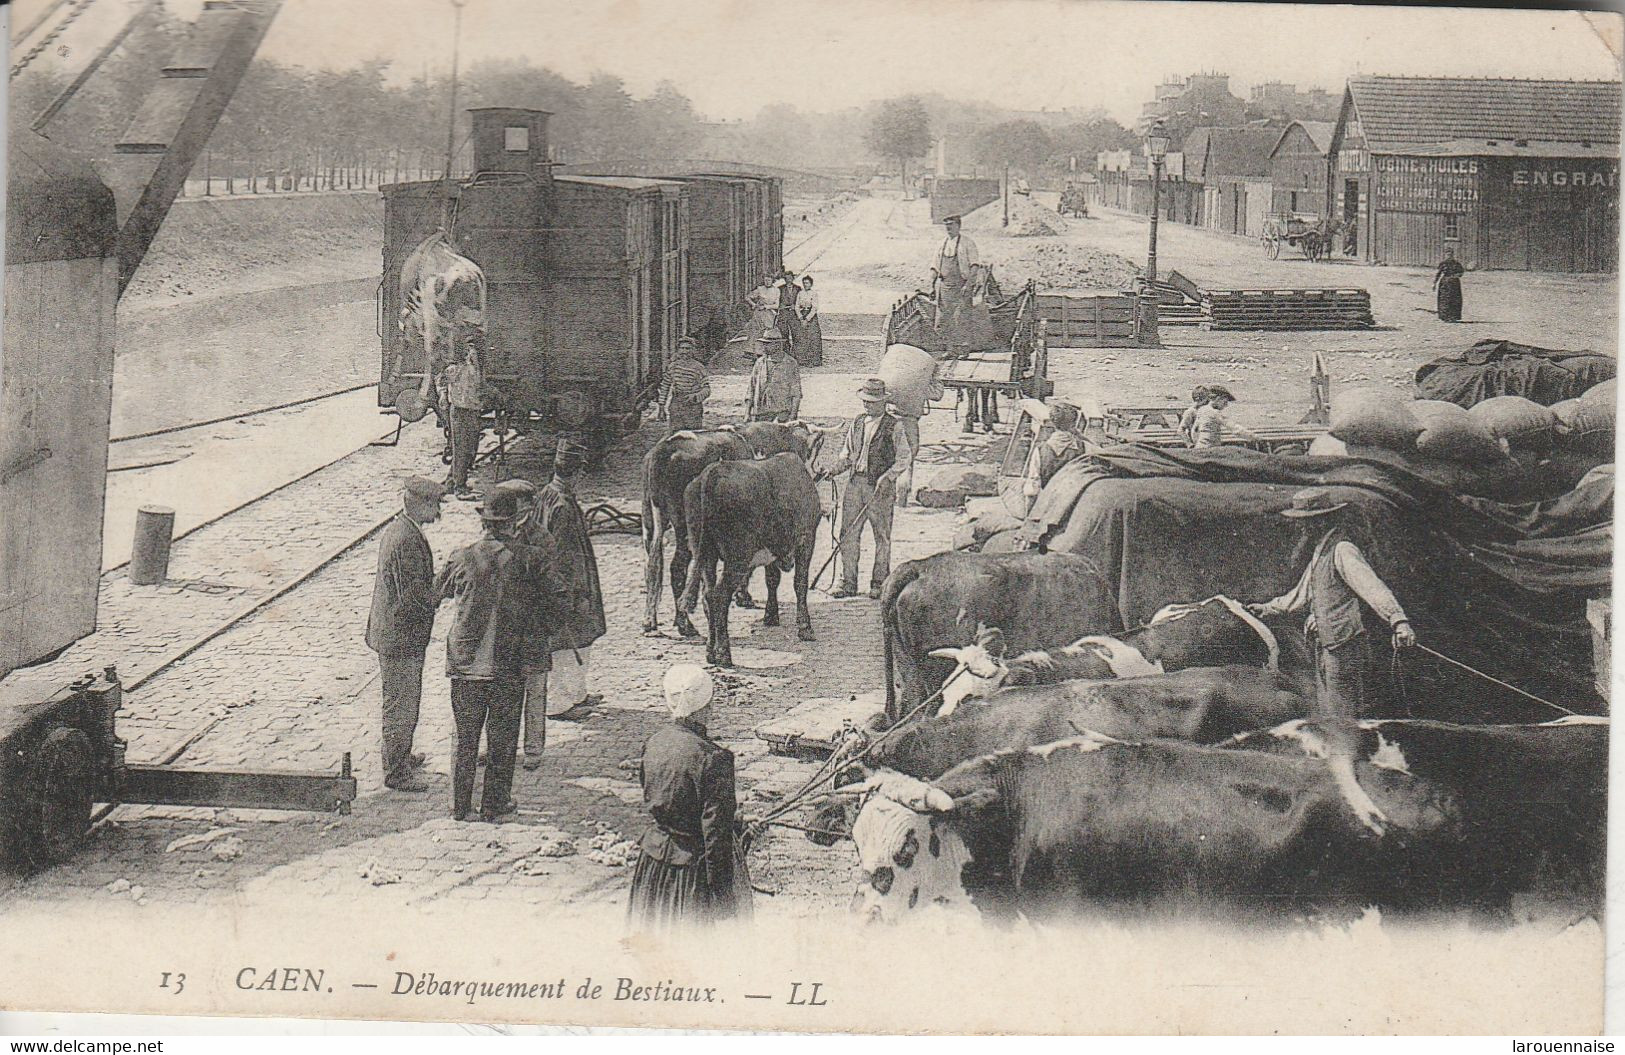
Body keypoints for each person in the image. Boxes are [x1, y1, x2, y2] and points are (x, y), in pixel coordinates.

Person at [1248, 487, 1417, 833]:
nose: (1301, 529)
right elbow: (1301, 595)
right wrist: (1267, 608)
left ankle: (1362, 796)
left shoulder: (1342, 549)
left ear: (1320, 521)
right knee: (1334, 716)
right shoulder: (1320, 553)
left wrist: (1398, 620)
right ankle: (1348, 789)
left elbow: (1372, 588)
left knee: (1345, 720)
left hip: (1345, 646)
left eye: (1306, 523)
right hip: (1327, 646)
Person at [433, 487, 534, 822]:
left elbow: (437, 593)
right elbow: (548, 604)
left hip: (465, 663)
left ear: (484, 523)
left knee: (464, 738)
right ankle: (494, 805)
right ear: (513, 523)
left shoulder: (461, 555)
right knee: (503, 739)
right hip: (507, 663)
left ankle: (459, 807)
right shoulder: (525, 559)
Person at [627, 664, 751, 932]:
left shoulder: (655, 742)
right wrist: (724, 899)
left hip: (652, 867)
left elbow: (655, 796)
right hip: (692, 877)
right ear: (708, 706)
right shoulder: (715, 758)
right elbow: (714, 837)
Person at [364, 476, 443, 793]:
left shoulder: (404, 530)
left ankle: (402, 756)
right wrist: (440, 591)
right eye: (434, 505)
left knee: (405, 700)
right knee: (401, 704)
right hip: (401, 638)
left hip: (398, 634)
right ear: (417, 503)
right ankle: (396, 772)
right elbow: (413, 597)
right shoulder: (406, 540)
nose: (438, 513)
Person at [487, 478, 567, 772]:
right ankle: (494, 746)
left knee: (534, 691)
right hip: (502, 630)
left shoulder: (541, 539)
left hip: (532, 630)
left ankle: (533, 749)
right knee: (498, 691)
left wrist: (546, 626)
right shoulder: (496, 531)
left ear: (527, 506)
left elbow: (555, 590)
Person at [535, 438, 607, 719]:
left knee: (580, 641)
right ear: (576, 473)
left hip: (563, 583)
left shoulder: (547, 493)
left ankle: (577, 693)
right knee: (568, 642)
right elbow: (564, 556)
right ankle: (559, 704)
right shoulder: (563, 505)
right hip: (570, 587)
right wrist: (572, 595)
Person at [825, 378, 912, 599]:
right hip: (856, 484)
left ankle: (879, 583)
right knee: (848, 534)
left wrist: (888, 477)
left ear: (883, 402)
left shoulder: (895, 425)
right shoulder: (857, 422)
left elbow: (904, 458)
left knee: (881, 536)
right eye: (865, 401)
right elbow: (847, 453)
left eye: (872, 402)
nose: (867, 405)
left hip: (880, 488)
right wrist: (835, 469)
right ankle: (848, 582)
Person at [439, 332, 485, 500]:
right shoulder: (455, 369)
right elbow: (441, 380)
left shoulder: (474, 368)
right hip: (459, 411)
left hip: (472, 409)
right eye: (469, 349)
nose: (472, 352)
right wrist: (443, 396)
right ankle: (459, 487)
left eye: (474, 349)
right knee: (461, 448)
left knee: (469, 447)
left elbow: (479, 383)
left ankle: (452, 481)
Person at [746, 328, 801, 422]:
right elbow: (751, 389)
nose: (764, 347)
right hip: (760, 415)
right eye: (763, 343)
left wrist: (792, 416)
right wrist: (747, 413)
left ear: (778, 345)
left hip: (781, 415)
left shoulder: (790, 363)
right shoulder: (759, 363)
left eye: (768, 344)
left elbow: (796, 393)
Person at [660, 336, 712, 432]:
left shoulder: (699, 368)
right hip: (676, 404)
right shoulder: (673, 366)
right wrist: (661, 407)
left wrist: (695, 396)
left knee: (693, 435)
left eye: (687, 349)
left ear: (693, 350)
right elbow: (665, 386)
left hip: (693, 407)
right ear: (678, 350)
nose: (684, 351)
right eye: (682, 348)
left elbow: (707, 389)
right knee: (676, 436)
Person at [1033, 400, 1088, 489]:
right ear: (1074, 424)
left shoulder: (1040, 449)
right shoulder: (1082, 447)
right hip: (1072, 492)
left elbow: (1033, 485)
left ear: (1053, 423)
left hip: (1047, 494)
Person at [1190, 385, 1263, 449]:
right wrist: (1255, 438)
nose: (1226, 405)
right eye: (1225, 402)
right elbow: (1236, 429)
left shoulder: (1201, 410)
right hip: (1211, 449)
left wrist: (1198, 444)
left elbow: (1194, 431)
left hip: (1199, 447)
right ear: (1218, 399)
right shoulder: (1215, 413)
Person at [794, 275, 824, 367]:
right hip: (802, 314)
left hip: (811, 317)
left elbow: (815, 307)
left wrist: (807, 319)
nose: (805, 285)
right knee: (801, 337)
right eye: (804, 283)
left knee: (813, 338)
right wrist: (800, 317)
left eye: (807, 283)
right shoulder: (800, 293)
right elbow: (796, 306)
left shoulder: (813, 293)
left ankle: (814, 360)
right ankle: (802, 359)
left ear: (811, 284)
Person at [1434, 244, 1464, 323]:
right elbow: (1438, 273)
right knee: (1444, 299)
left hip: (1454, 283)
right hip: (1445, 283)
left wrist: (1455, 276)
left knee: (1454, 299)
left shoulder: (1457, 264)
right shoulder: (1443, 263)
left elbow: (1461, 272)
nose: (1449, 256)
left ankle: (1453, 316)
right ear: (1445, 255)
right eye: (1447, 254)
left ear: (1452, 255)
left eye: (1450, 254)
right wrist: (1434, 283)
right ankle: (1445, 316)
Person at [746, 275, 779, 340]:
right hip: (759, 313)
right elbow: (747, 297)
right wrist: (754, 304)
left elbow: (777, 305)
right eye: (765, 280)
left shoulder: (776, 290)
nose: (767, 282)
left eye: (769, 280)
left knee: (768, 332)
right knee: (756, 330)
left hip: (770, 313)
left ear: (772, 280)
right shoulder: (760, 289)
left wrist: (766, 307)